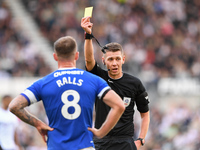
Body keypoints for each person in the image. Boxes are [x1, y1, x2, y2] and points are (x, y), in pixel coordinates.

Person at [9, 36, 125, 150]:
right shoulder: (93, 80)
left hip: (56, 146)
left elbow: (14, 106)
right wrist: (101, 132)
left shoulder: (43, 83)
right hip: (84, 145)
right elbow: (119, 105)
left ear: (55, 57)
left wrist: (38, 124)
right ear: (77, 55)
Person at [81, 17, 150, 150]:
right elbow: (89, 61)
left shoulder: (134, 83)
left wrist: (141, 139)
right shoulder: (99, 77)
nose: (114, 63)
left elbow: (145, 114)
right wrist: (88, 35)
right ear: (104, 60)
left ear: (123, 60)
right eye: (110, 59)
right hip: (102, 141)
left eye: (117, 59)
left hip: (125, 142)